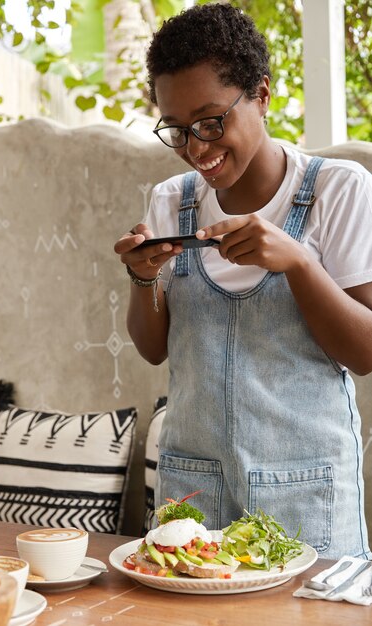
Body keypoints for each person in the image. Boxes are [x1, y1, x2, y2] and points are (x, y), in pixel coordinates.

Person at [114, 3, 372, 559]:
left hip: (306, 503)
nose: (198, 148)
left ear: (261, 94)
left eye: (212, 122)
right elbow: (155, 350)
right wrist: (142, 280)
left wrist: (300, 264)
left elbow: (366, 351)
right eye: (178, 130)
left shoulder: (339, 191)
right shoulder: (172, 201)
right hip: (193, 496)